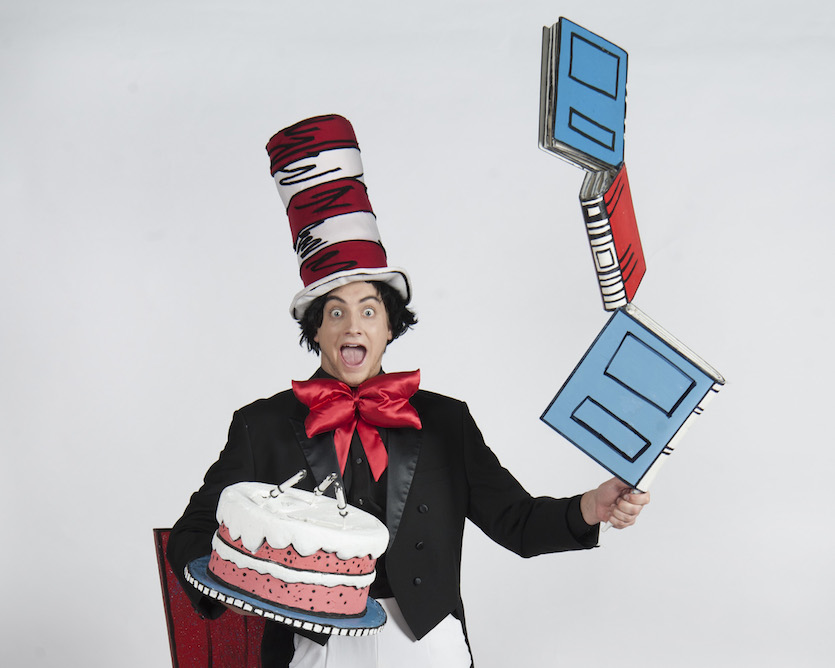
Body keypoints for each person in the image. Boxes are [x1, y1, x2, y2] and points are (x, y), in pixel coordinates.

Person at [167, 115, 649, 668]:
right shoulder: (262, 425)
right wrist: (233, 577)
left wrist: (591, 506)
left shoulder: (447, 423)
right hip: (314, 648)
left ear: (390, 326)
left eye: (369, 311)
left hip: (428, 644)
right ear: (315, 330)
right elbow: (194, 531)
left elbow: (515, 520)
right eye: (336, 313)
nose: (353, 327)